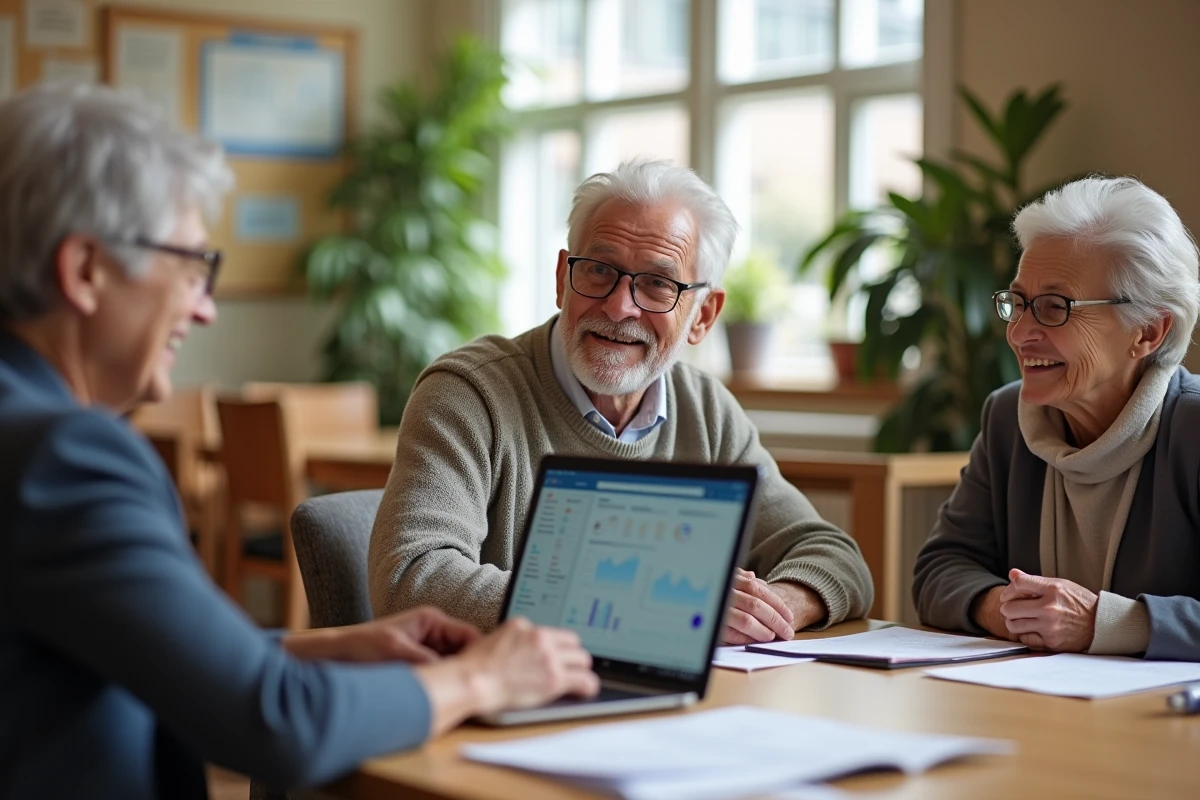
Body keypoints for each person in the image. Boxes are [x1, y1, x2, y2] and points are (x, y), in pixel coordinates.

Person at [0, 82, 598, 800]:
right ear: (85, 271)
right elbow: (276, 723)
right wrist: (482, 678)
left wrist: (328, 647)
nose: (205, 308)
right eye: (191, 268)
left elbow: (128, 646)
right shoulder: (64, 458)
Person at [369, 158, 874, 644]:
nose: (618, 306)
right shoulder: (469, 393)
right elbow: (411, 578)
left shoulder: (706, 411)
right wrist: (650, 609)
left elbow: (833, 556)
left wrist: (768, 608)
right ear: (563, 279)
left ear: (702, 316)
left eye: (657, 284)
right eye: (598, 270)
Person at [913, 175, 1200, 661]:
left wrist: (1102, 622)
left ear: (1148, 331)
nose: (1019, 332)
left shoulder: (1192, 429)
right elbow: (940, 568)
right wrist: (1006, 609)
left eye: (1054, 307)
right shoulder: (1006, 420)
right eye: (1018, 303)